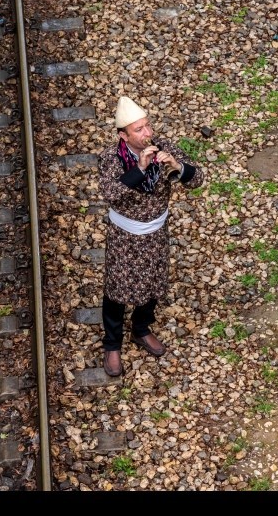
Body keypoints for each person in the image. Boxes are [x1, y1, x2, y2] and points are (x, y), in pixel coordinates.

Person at [98, 96, 204, 377]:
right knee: (117, 288)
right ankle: (112, 343)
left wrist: (178, 168)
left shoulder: (164, 147)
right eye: (139, 130)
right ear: (123, 135)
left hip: (155, 233)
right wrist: (140, 168)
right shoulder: (111, 158)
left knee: (153, 281)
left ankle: (141, 328)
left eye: (147, 126)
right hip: (125, 235)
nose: (147, 134)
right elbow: (111, 193)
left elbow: (197, 179)